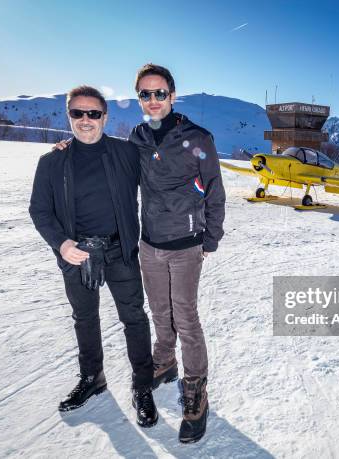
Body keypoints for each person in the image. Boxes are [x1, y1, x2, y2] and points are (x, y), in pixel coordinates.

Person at [29, 85, 158, 427]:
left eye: (93, 113)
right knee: (84, 319)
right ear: (68, 115)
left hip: (120, 250)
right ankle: (93, 378)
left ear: (105, 117)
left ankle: (143, 385)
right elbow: (39, 210)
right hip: (77, 253)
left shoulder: (126, 154)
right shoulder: (52, 162)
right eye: (78, 113)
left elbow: (164, 168)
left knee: (134, 317)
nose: (86, 120)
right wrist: (62, 244)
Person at [129, 63, 226, 443]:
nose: (152, 100)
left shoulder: (198, 137)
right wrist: (68, 148)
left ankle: (195, 390)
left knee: (186, 317)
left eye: (159, 93)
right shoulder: (137, 137)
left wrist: (210, 238)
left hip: (186, 245)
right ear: (139, 98)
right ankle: (165, 360)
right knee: (160, 312)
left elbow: (215, 190)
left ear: (172, 95)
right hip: (149, 244)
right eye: (144, 94)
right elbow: (108, 162)